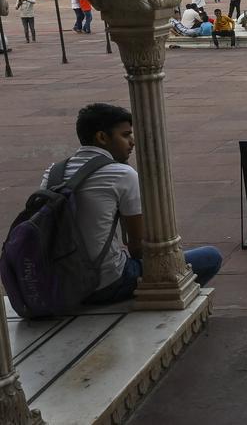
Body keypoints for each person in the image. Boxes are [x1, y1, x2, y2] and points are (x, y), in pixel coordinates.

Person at [52, 104, 222, 306]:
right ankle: (165, 307)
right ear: (102, 138)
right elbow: (140, 248)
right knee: (211, 257)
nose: (132, 142)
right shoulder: (121, 174)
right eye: (125, 135)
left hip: (61, 282)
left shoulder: (54, 172)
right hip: (105, 283)